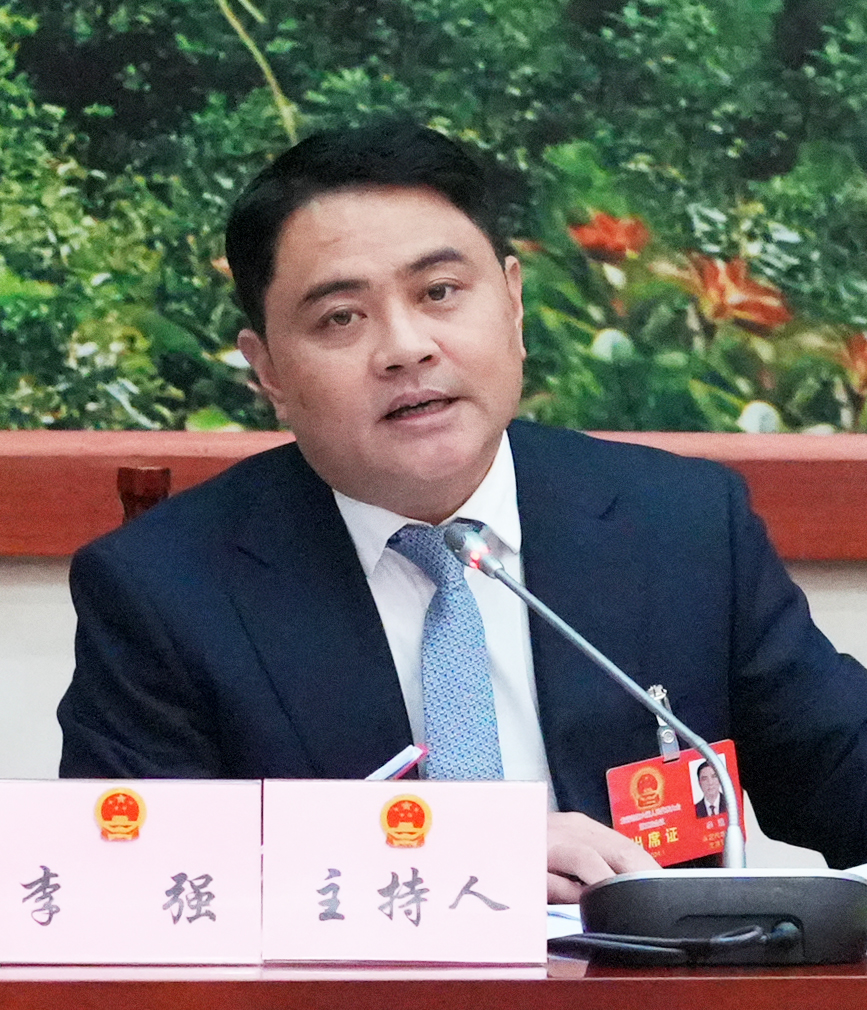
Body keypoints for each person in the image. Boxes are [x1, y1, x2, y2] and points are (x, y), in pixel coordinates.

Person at [58, 120, 867, 900]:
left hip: (649, 992)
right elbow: (136, 880)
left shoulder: (680, 525)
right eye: (341, 317)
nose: (405, 347)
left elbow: (842, 772)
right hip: (350, 997)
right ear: (267, 369)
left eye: (439, 291)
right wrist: (463, 858)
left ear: (512, 303)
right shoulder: (164, 589)